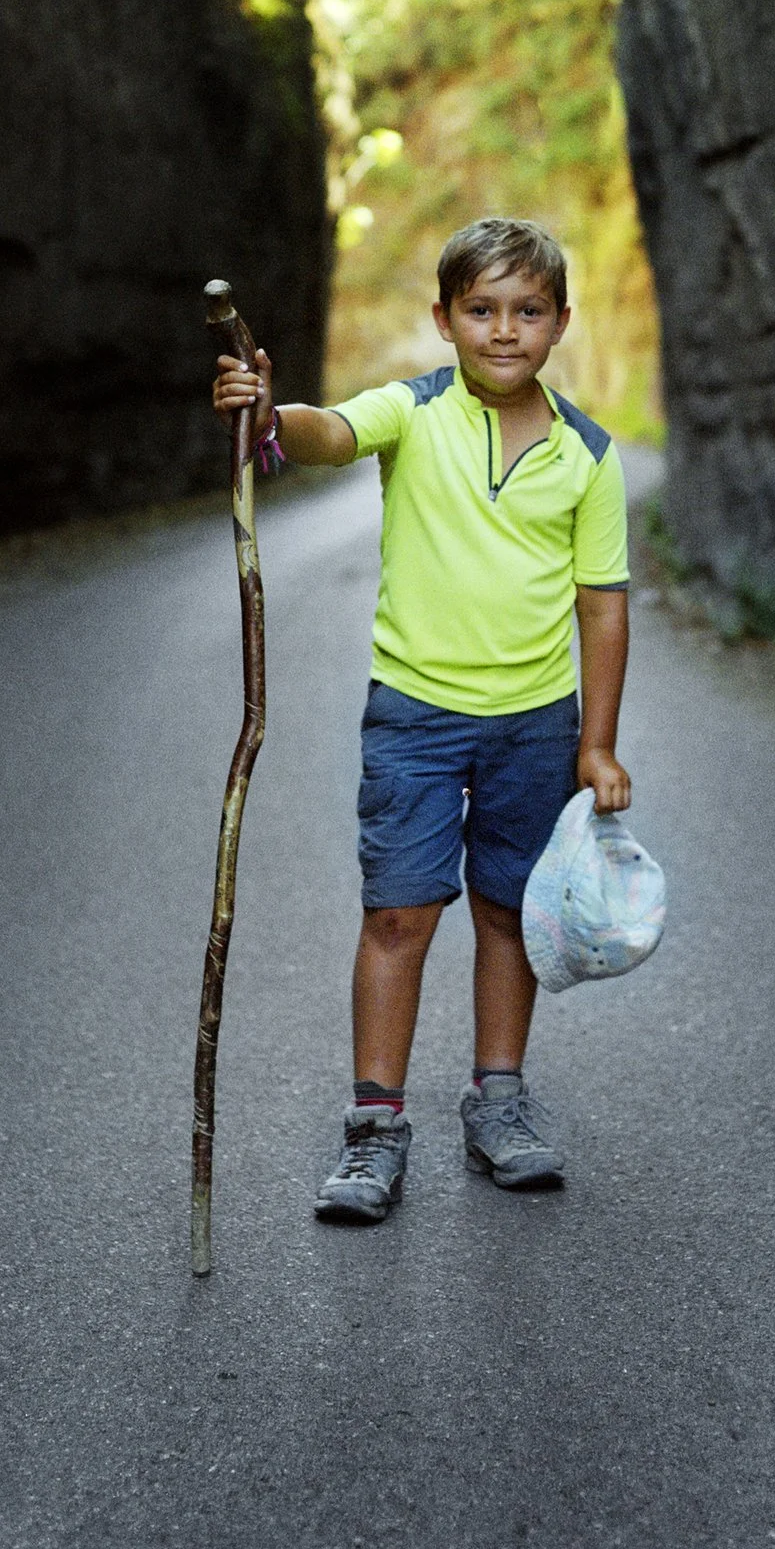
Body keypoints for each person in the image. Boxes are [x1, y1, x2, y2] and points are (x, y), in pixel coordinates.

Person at [210, 216, 632, 1224]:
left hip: (535, 722)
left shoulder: (589, 455)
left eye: (527, 312)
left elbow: (603, 602)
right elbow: (329, 434)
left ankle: (499, 1100)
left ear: (561, 323)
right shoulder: (416, 411)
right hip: (413, 716)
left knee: (506, 914)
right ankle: (374, 1125)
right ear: (442, 319)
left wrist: (598, 740)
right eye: (480, 310)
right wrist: (272, 411)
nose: (502, 331)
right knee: (399, 913)